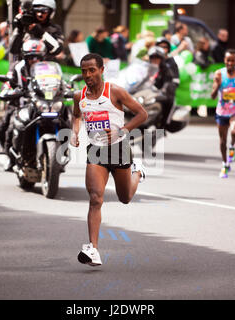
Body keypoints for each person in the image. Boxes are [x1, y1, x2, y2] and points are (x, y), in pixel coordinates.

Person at [71, 53, 148, 266]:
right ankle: (93, 249)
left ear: (101, 69)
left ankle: (138, 170)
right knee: (95, 198)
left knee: (125, 198)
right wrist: (75, 132)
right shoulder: (79, 96)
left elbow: (142, 114)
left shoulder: (114, 92)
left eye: (92, 70)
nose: (87, 75)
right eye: (84, 71)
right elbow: (77, 115)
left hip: (119, 150)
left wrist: (122, 131)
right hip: (96, 151)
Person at [211, 49, 235, 178]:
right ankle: (224, 163)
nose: (230, 63)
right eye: (228, 60)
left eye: (232, 60)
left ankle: (232, 146)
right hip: (222, 110)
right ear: (224, 60)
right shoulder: (219, 74)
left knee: (234, 131)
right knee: (222, 140)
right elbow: (212, 96)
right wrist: (217, 85)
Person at [151, 38, 180, 128]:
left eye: (165, 47)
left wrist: (167, 88)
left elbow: (174, 78)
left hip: (163, 91)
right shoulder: (150, 60)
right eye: (160, 47)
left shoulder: (169, 63)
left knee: (168, 101)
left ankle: (162, 125)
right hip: (149, 90)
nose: (162, 49)